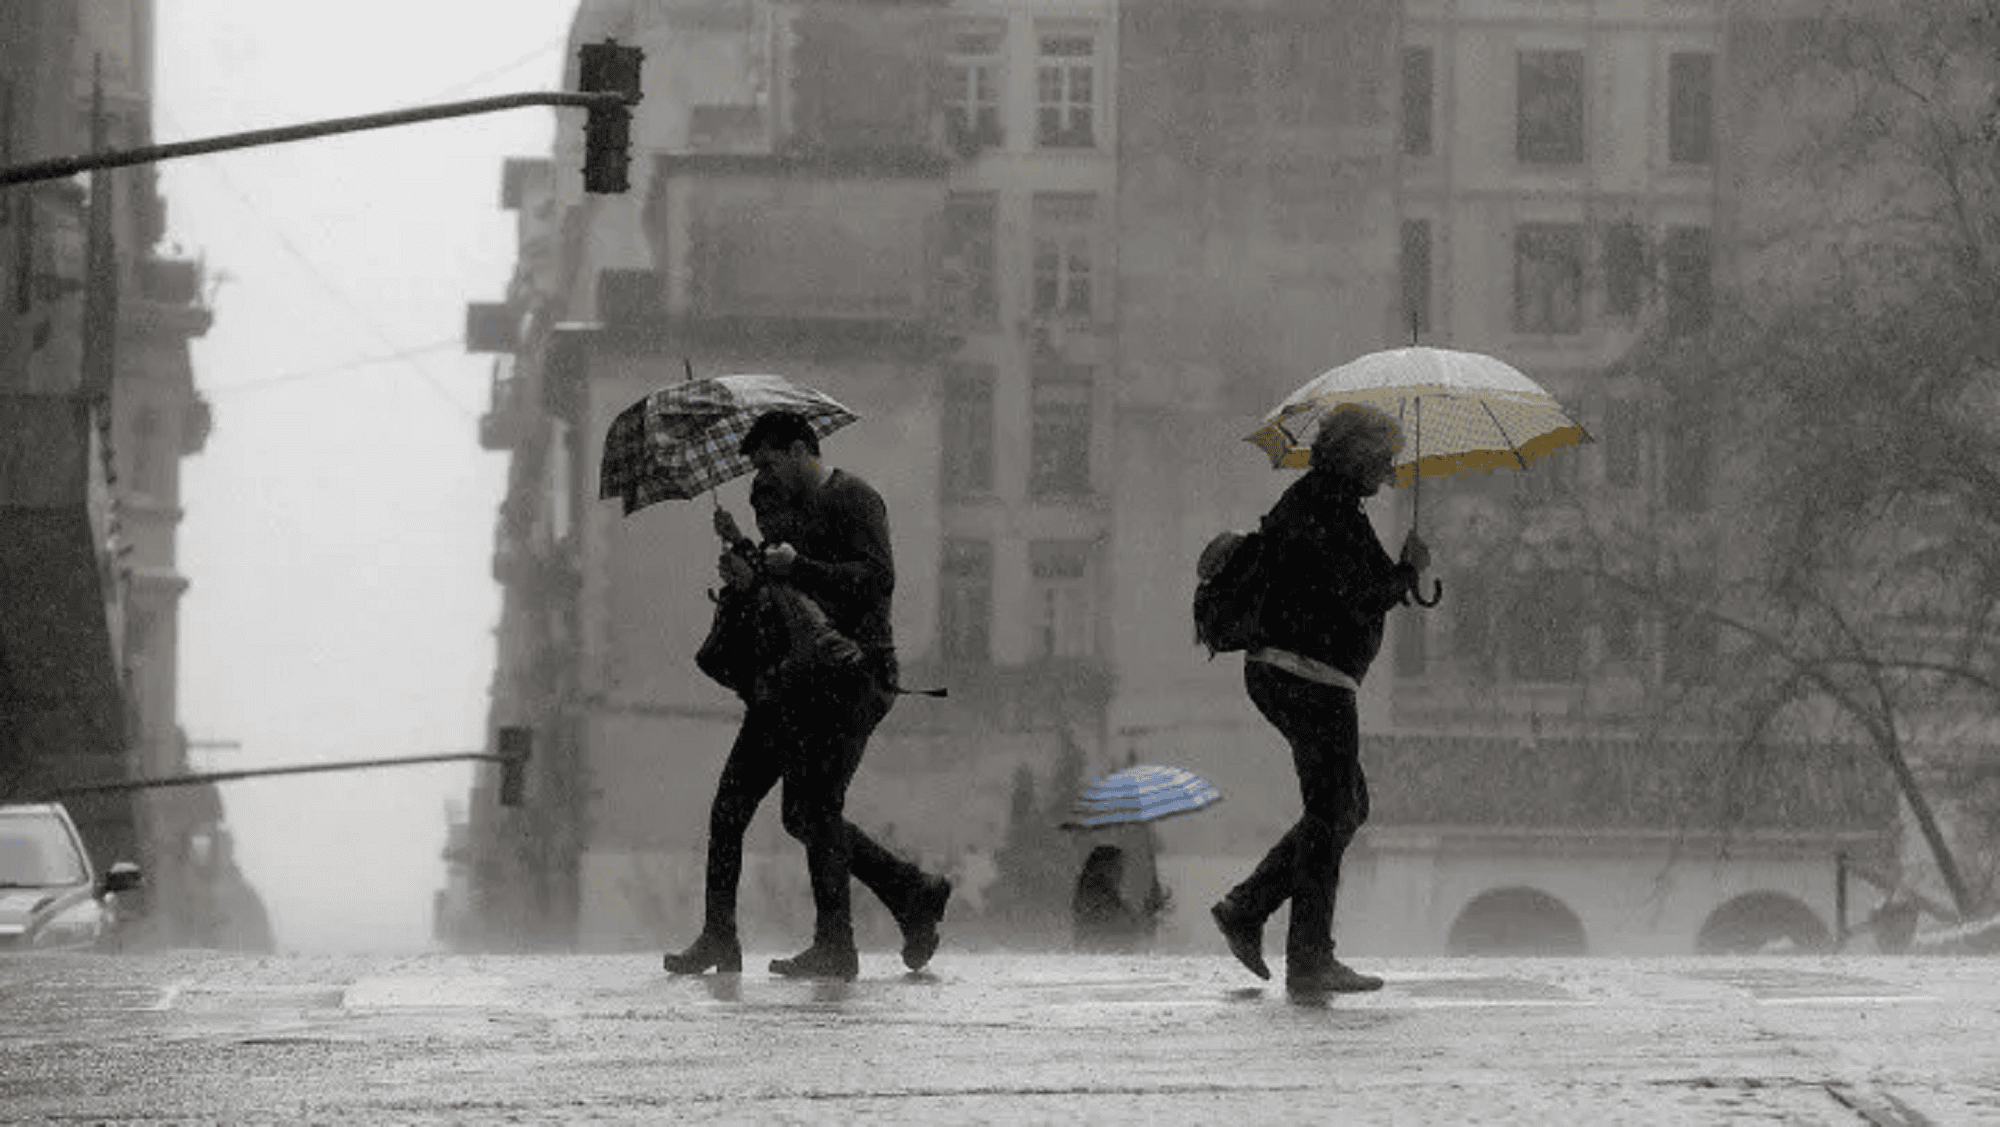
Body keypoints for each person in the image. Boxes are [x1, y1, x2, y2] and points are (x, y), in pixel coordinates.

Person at [663, 412, 952, 982]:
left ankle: (841, 941)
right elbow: (786, 602)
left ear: (800, 450)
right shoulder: (782, 510)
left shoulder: (855, 499)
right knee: (738, 809)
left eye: (768, 465)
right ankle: (724, 934)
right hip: (791, 682)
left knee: (813, 810)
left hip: (853, 678)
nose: (761, 482)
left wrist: (800, 567)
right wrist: (746, 567)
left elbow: (875, 581)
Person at [1209, 404, 1430, 995]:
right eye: (1383, 460)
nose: (1388, 473)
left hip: (1299, 677)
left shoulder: (1325, 504)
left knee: (1343, 808)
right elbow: (1357, 595)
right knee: (1334, 813)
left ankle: (1250, 909)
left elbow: (1356, 587)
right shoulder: (1327, 509)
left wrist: (1400, 575)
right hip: (1308, 678)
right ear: (1356, 455)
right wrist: (1408, 570)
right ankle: (1305, 956)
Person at [1071, 845, 1168, 953]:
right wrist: (1149, 913)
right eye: (1118, 867)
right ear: (1104, 869)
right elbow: (1125, 934)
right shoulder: (1100, 900)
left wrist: (1149, 913)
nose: (1121, 872)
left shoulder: (1103, 898)